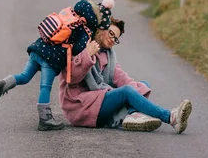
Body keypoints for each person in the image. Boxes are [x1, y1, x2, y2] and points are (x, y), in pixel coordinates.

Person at [0, 0, 115, 131]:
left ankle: (3, 84)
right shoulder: (83, 30)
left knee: (24, 76)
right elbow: (78, 49)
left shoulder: (68, 14)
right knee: (45, 87)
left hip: (37, 49)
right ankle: (45, 119)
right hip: (50, 58)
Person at [58, 17, 193, 133]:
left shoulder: (109, 54)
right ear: (101, 29)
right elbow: (71, 78)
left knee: (143, 85)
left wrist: (137, 88)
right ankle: (171, 117)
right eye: (111, 33)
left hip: (99, 100)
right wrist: (87, 54)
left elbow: (120, 76)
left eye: (116, 39)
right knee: (127, 92)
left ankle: (133, 115)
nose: (112, 40)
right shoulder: (81, 45)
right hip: (81, 106)